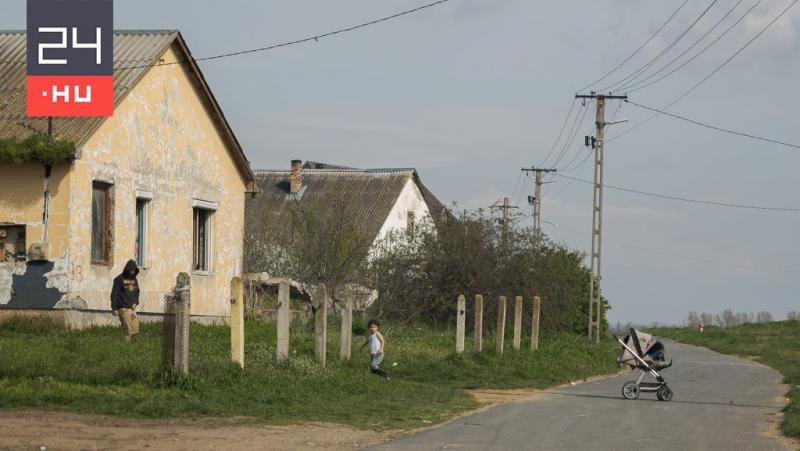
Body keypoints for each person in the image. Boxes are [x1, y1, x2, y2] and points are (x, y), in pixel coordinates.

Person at [111, 259, 140, 341]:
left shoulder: (134, 280)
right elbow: (114, 294)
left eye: (134, 270)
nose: (132, 272)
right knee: (128, 331)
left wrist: (135, 302)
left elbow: (137, 292)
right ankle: (124, 347)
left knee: (135, 330)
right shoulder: (119, 279)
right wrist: (114, 308)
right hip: (123, 308)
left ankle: (128, 344)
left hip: (132, 309)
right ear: (127, 269)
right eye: (131, 270)